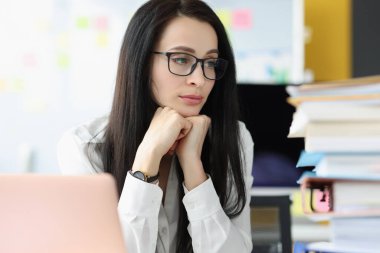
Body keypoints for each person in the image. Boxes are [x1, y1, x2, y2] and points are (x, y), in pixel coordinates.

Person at [57, 0, 254, 252]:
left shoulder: (234, 138)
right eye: (181, 59)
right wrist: (147, 158)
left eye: (211, 63)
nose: (200, 79)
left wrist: (194, 168)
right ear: (141, 62)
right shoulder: (85, 147)